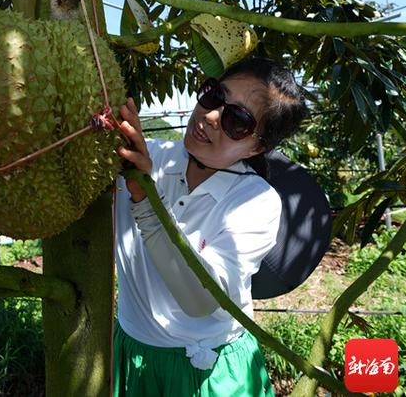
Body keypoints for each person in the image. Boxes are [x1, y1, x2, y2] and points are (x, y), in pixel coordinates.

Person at [113, 56, 308, 396]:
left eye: (238, 121)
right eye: (215, 96)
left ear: (258, 147)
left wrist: (145, 199)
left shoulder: (256, 201)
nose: (212, 116)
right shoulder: (145, 156)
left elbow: (201, 298)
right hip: (133, 355)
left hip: (213, 372)